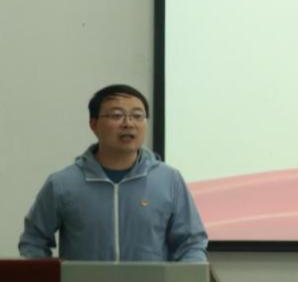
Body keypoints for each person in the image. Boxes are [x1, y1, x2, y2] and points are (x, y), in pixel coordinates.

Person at [19, 84, 208, 262]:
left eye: (137, 116)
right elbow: (33, 240)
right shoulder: (63, 183)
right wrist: (48, 280)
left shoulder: (169, 180)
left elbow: (191, 243)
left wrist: (186, 278)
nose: (128, 123)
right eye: (117, 115)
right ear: (94, 124)